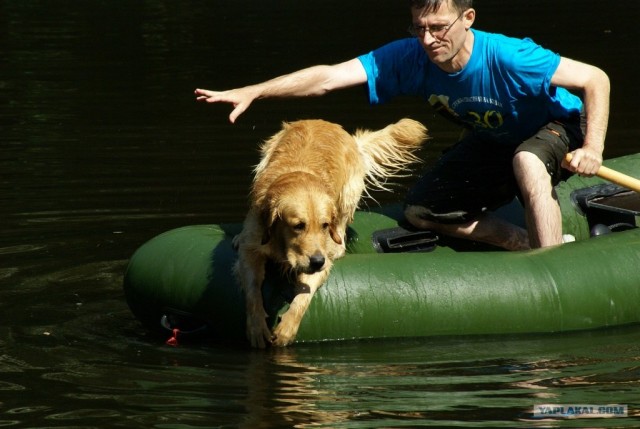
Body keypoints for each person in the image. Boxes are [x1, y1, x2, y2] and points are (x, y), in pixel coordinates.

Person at [195, 0, 610, 250]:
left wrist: (592, 147)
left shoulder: (510, 56)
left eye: (438, 27)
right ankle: (515, 241)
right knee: (421, 211)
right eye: (419, 28)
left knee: (527, 161)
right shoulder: (408, 56)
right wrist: (255, 90)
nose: (428, 40)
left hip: (558, 125)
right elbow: (327, 78)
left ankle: (550, 261)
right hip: (495, 137)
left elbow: (596, 79)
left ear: (467, 18)